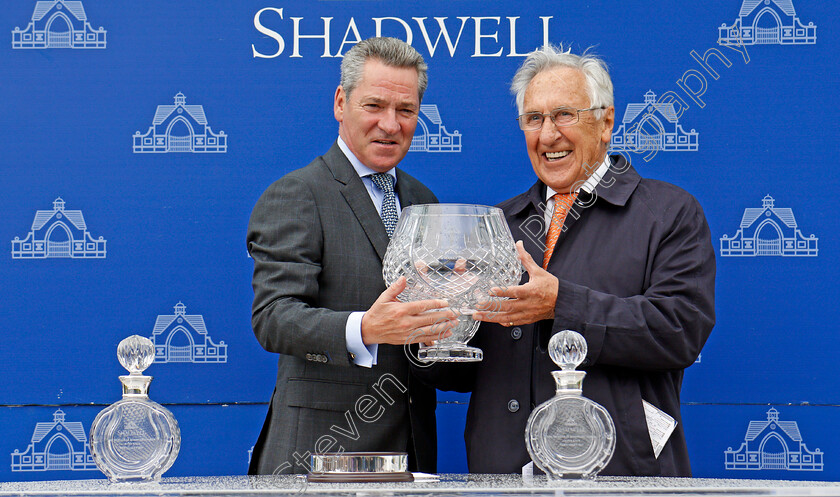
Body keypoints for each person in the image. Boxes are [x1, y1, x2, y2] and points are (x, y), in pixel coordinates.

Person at [418, 45, 715, 476]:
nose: (548, 134)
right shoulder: (495, 227)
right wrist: (437, 330)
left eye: (564, 115)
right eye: (534, 119)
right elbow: (462, 373)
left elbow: (680, 329)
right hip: (501, 475)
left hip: (619, 474)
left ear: (606, 121)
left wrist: (562, 305)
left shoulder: (668, 211)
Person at [246, 37, 456, 475]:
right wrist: (366, 327)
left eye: (406, 111)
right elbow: (274, 317)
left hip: (412, 454)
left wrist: (445, 332)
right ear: (341, 102)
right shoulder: (297, 194)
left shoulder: (425, 201)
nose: (390, 124)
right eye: (374, 106)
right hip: (318, 456)